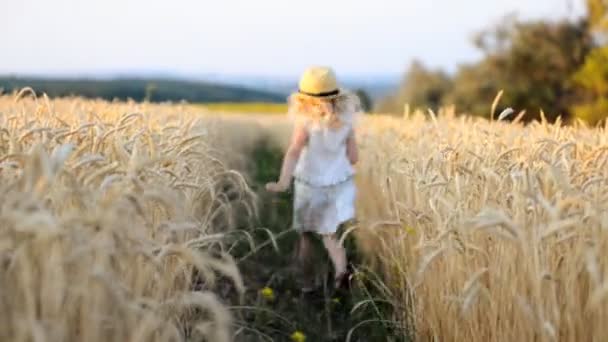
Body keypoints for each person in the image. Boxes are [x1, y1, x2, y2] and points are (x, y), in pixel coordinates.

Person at [265, 66, 360, 292]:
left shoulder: (306, 121)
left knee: (306, 235)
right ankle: (341, 272)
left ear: (303, 99)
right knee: (330, 234)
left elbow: (294, 151)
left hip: (310, 184)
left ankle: (306, 283)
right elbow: (354, 157)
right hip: (338, 183)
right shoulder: (347, 121)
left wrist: (283, 181)